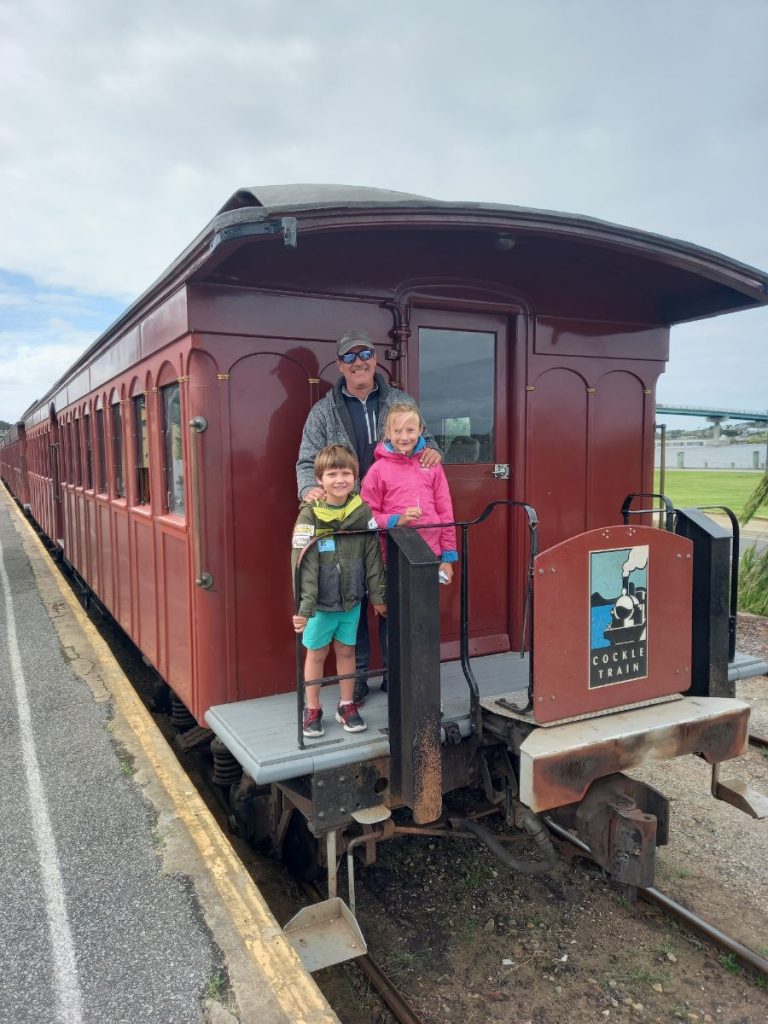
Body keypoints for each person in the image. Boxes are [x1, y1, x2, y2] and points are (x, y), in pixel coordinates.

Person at [296, 328, 443, 702]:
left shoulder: (400, 399)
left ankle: (397, 676)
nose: (358, 362)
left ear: (375, 359)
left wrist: (434, 451)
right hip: (349, 521)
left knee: (394, 598)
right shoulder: (322, 411)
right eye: (349, 357)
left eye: (364, 354)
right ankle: (358, 679)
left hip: (399, 520)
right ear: (340, 365)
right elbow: (305, 462)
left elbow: (421, 436)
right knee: (354, 596)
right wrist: (307, 489)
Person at [291, 444, 387, 738]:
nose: (340, 480)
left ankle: (346, 705)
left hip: (351, 602)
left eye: (346, 473)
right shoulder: (310, 516)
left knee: (347, 651)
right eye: (332, 474)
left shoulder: (361, 513)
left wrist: (379, 597)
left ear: (355, 477)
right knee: (316, 655)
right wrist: (303, 609)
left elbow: (373, 557)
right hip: (319, 605)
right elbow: (301, 563)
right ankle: (312, 709)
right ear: (319, 479)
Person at [361, 402, 458, 584]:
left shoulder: (432, 465)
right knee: (396, 610)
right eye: (397, 431)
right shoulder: (377, 470)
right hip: (393, 554)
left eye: (410, 430)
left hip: (431, 553)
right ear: (388, 433)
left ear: (421, 430)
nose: (404, 437)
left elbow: (445, 511)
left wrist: (447, 557)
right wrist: (397, 520)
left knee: (426, 608)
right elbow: (367, 518)